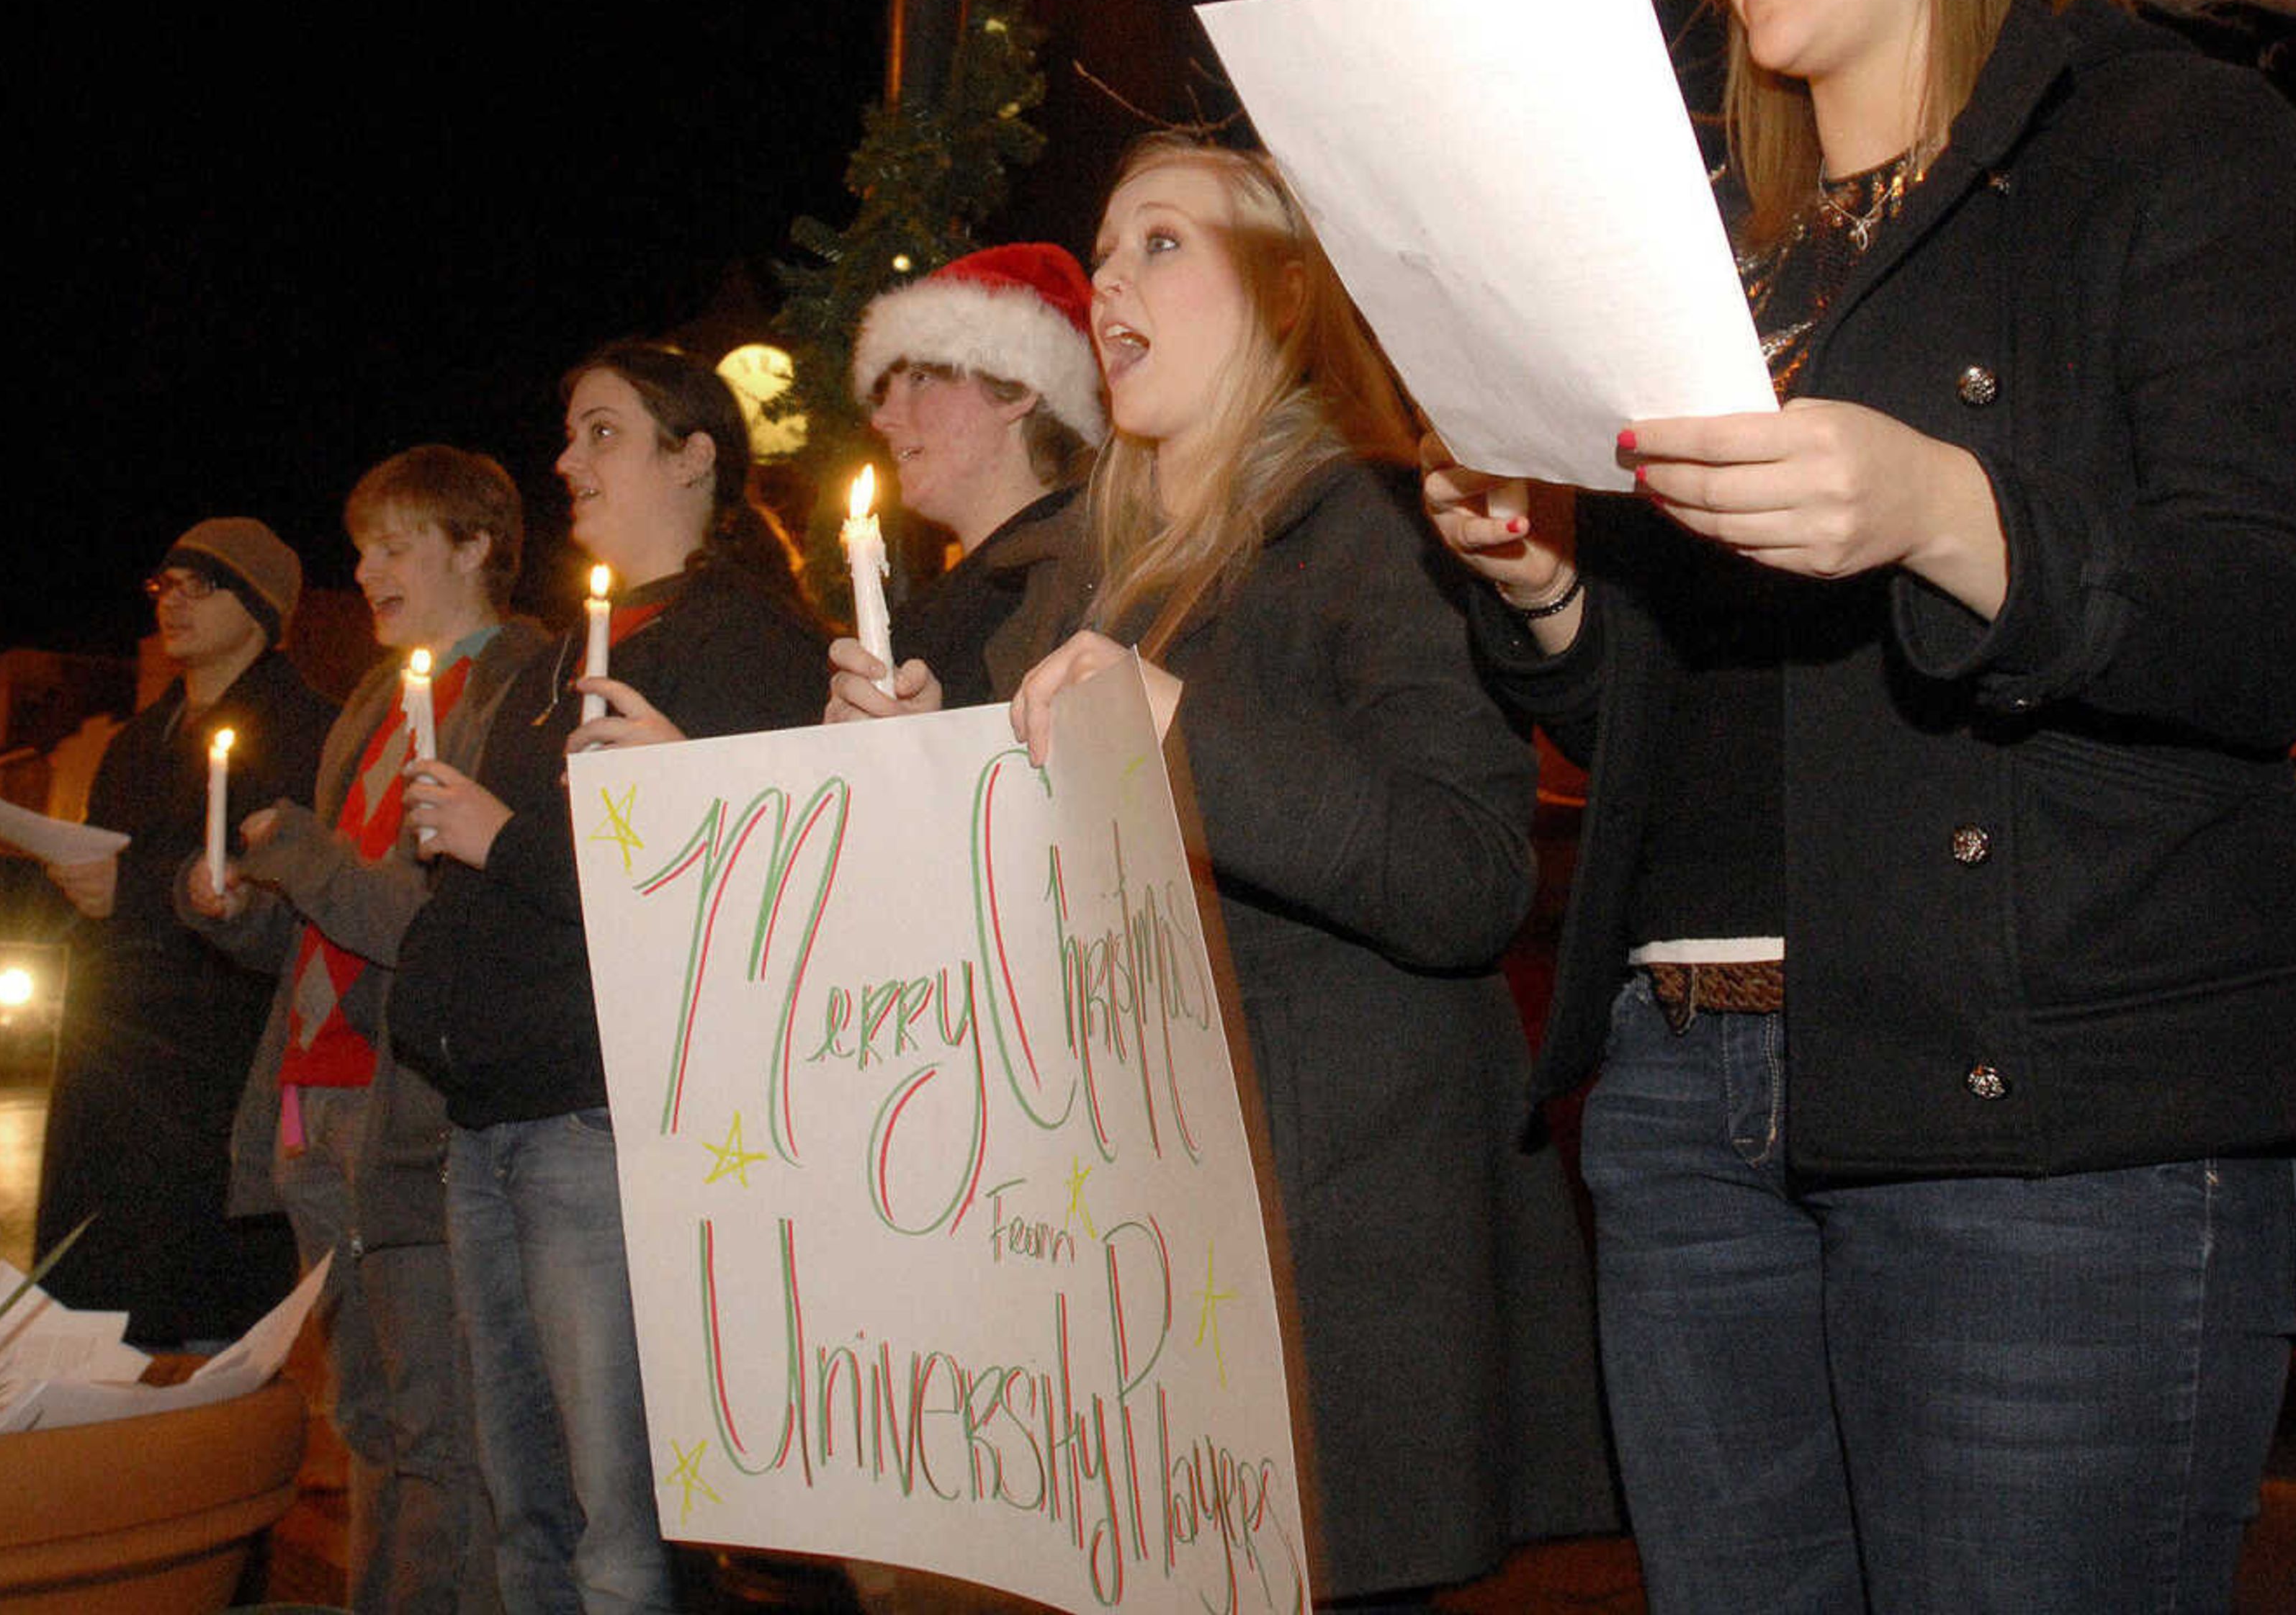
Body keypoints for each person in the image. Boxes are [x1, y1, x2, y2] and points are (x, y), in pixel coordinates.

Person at [1423, 0, 2296, 1612]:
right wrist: (1549, 594)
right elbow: (1679, 715)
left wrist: (1949, 516)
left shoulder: (2180, 150)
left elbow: (2266, 620)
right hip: (1682, 1103)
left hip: (2038, 1110)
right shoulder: (1722, 266)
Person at [1001, 138, 1616, 1609]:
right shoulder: (1089, 582)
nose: (1106, 279)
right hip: (1149, 1244)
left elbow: (1463, 878)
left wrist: (1177, 734)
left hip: (1327, 1268)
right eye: (1101, 249)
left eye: (1161, 241)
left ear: (1286, 295)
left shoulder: (1378, 528)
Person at [390, 343, 830, 1615]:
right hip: (486, 1125)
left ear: (696, 457)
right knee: (522, 1504)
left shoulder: (745, 644)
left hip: (603, 1120)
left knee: (623, 1529)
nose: (567, 461)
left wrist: (502, 838)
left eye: (601, 433)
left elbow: (728, 899)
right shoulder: (553, 661)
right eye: (569, 433)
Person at [179, 449, 530, 1614]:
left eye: (395, 543)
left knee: (444, 1429)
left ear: (475, 545)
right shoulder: (377, 704)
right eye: (362, 545)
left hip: (407, 1114)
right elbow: (322, 933)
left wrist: (309, 860)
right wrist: (238, 903)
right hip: (312, 1101)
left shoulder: (517, 683)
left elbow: (439, 926)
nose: (366, 568)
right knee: (369, 1418)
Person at [0, 516, 327, 1349]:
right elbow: (85, 888)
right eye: (166, 583)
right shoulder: (135, 742)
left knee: (202, 1338)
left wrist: (135, 890)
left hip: (215, 1072)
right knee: (93, 1329)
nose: (175, 601)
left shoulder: (310, 730)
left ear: (263, 609)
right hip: (107, 1064)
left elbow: (270, 897)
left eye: (205, 583)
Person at [828, 240, 1105, 719]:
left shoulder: (1088, 582)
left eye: (919, 379)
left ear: (1017, 388)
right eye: (885, 391)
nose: (883, 419)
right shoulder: (941, 609)